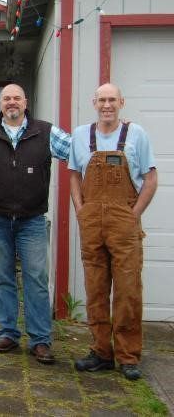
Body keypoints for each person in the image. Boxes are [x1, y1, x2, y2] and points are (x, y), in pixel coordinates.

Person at [0, 83, 69, 364]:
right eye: (6, 98)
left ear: (26, 102)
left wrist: (110, 137)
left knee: (36, 279)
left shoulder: (46, 132)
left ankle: (40, 340)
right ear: (0, 103)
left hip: (31, 219)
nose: (12, 102)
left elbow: (78, 150)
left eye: (16, 97)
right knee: (2, 278)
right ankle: (8, 332)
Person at [69, 83, 157, 381]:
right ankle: (100, 352)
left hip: (124, 222)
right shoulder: (81, 135)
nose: (107, 105)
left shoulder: (136, 134)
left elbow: (150, 178)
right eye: (102, 100)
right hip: (92, 221)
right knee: (95, 289)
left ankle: (128, 355)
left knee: (128, 291)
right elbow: (72, 175)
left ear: (121, 102)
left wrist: (133, 216)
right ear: (94, 102)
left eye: (112, 100)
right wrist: (81, 210)